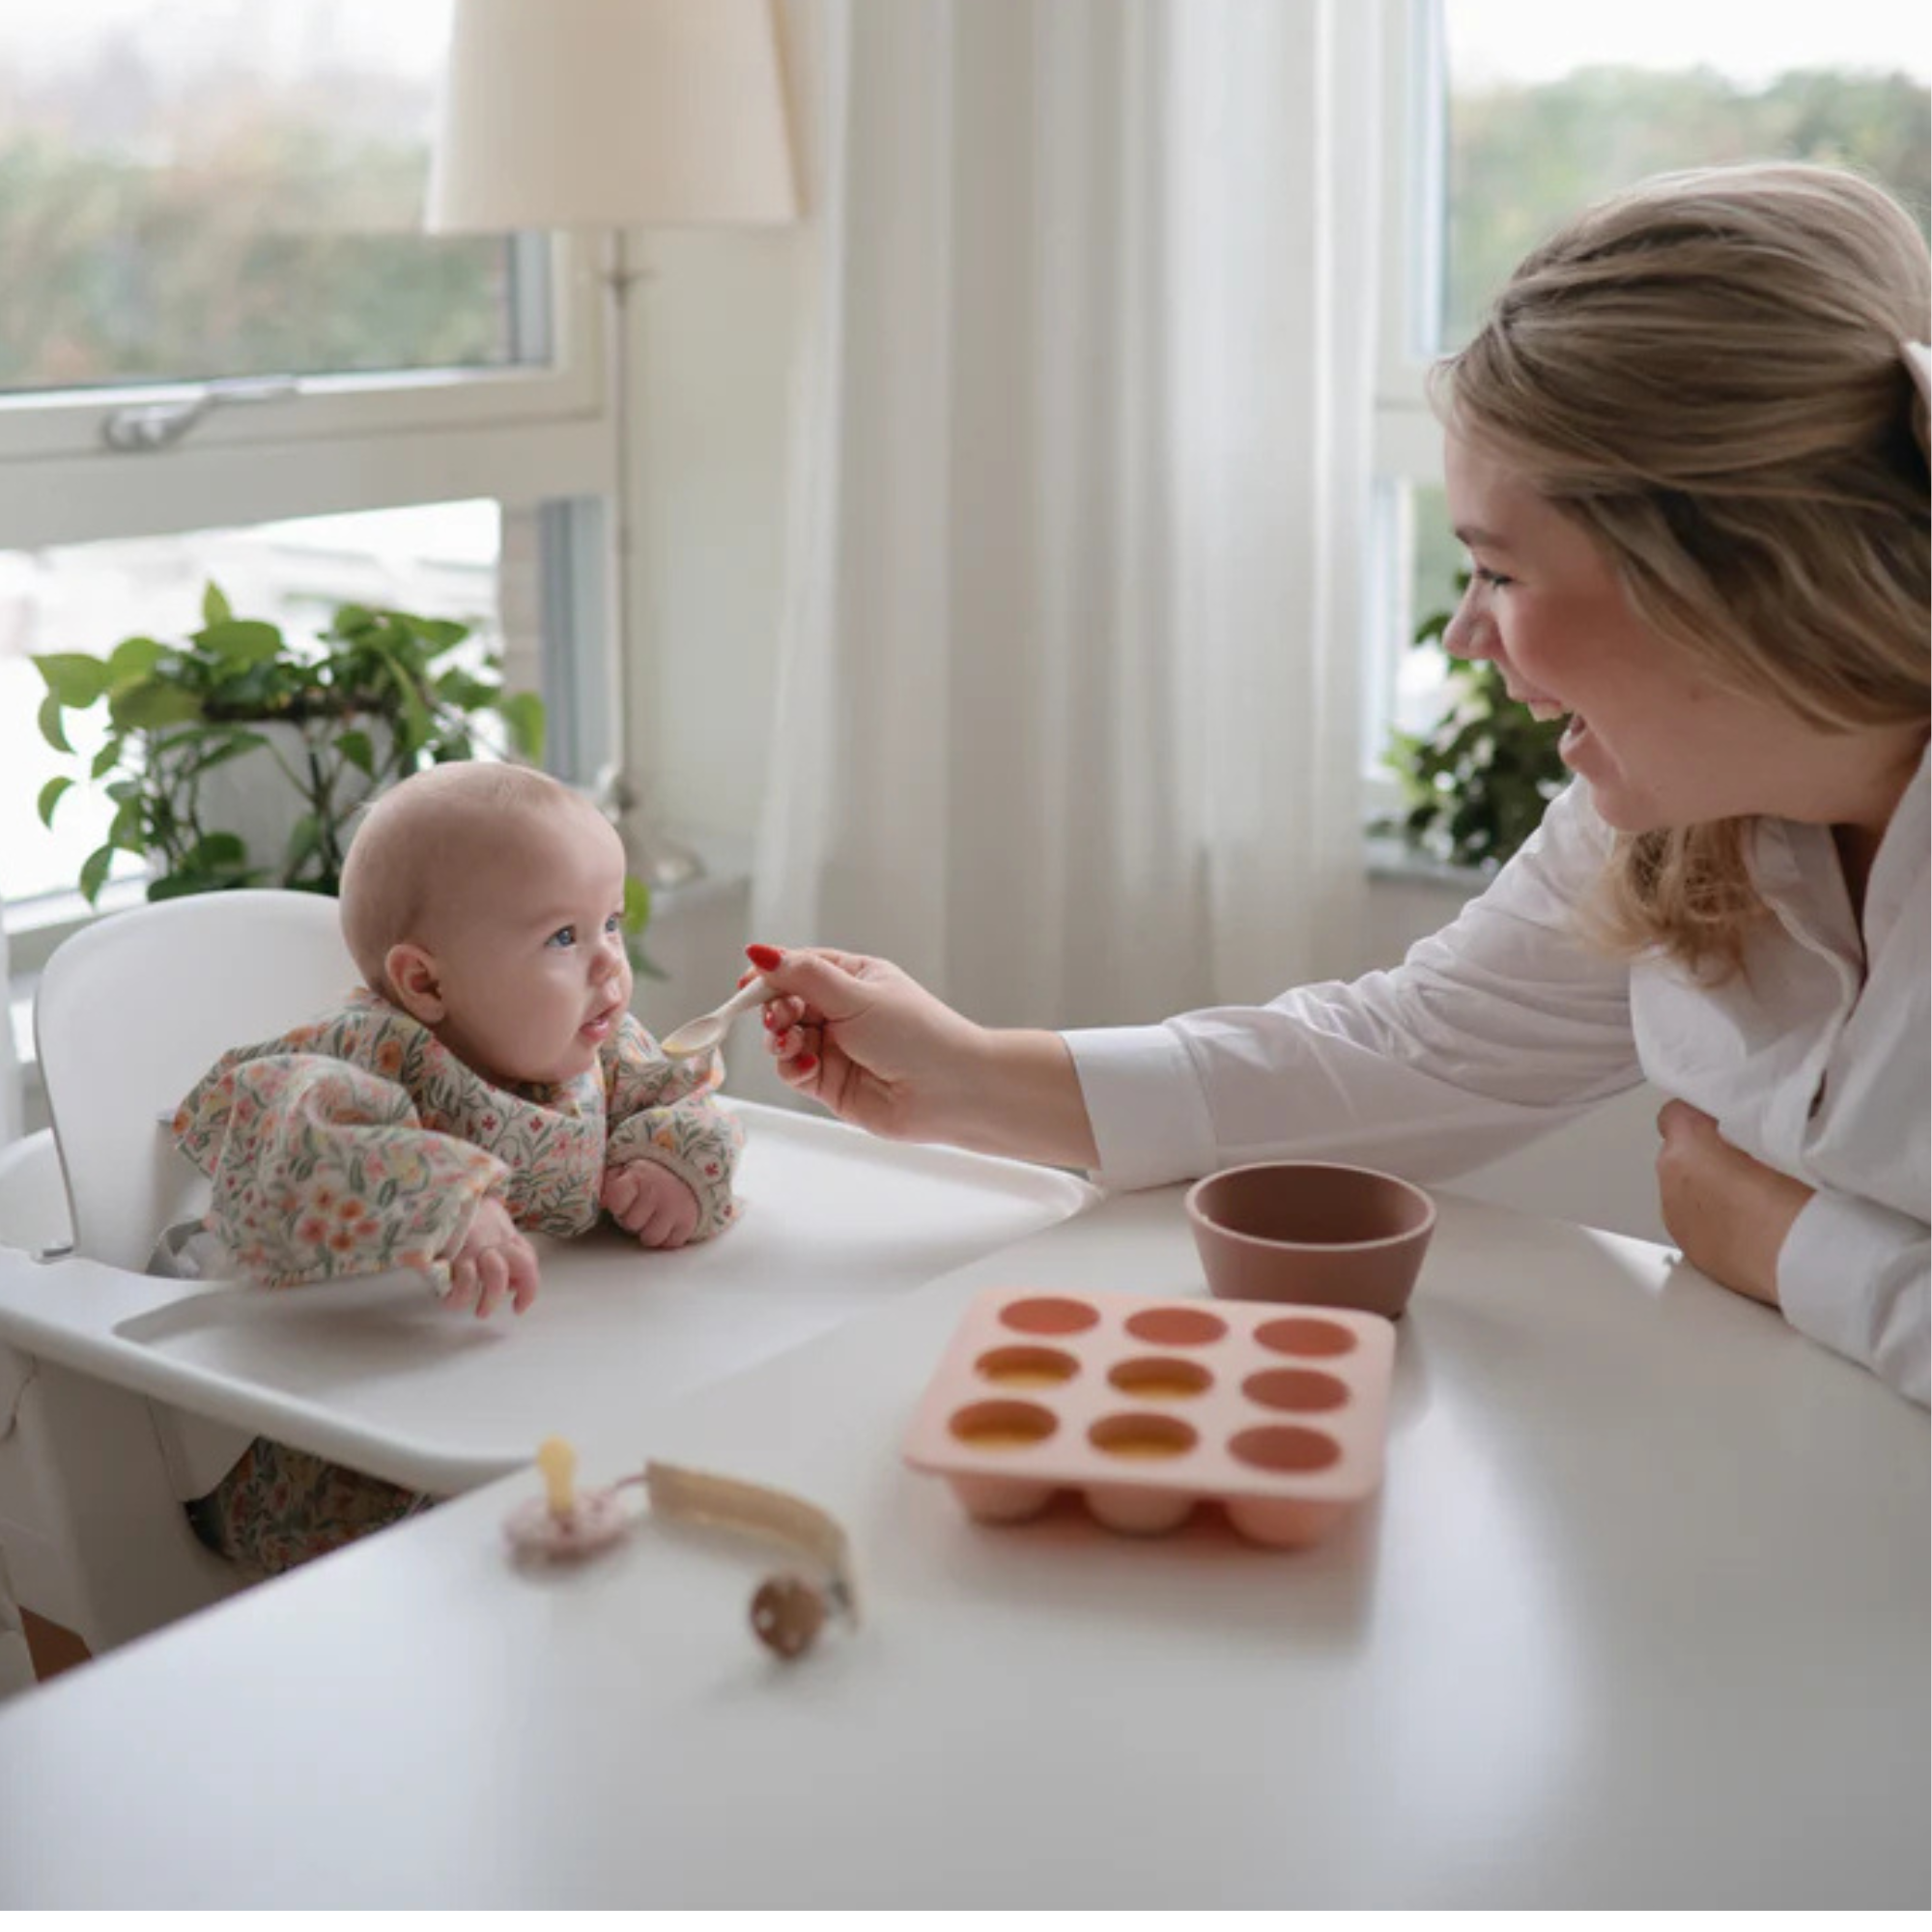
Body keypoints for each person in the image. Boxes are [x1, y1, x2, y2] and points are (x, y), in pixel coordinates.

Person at [746, 160, 1932, 1413]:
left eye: (1501, 574)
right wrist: (975, 1074)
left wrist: (1795, 1248)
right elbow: (1418, 1053)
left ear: (1729, 579)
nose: (1467, 634)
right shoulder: (1670, 819)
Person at [166, 761, 745, 1574]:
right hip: (349, 1435)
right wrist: (446, 1199)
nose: (610, 964)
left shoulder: (597, 1042)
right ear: (425, 981)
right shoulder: (369, 1050)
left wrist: (675, 1164)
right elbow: (290, 1141)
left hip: (535, 1374)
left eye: (610, 922)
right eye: (563, 937)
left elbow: (681, 1096)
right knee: (460, 1566)